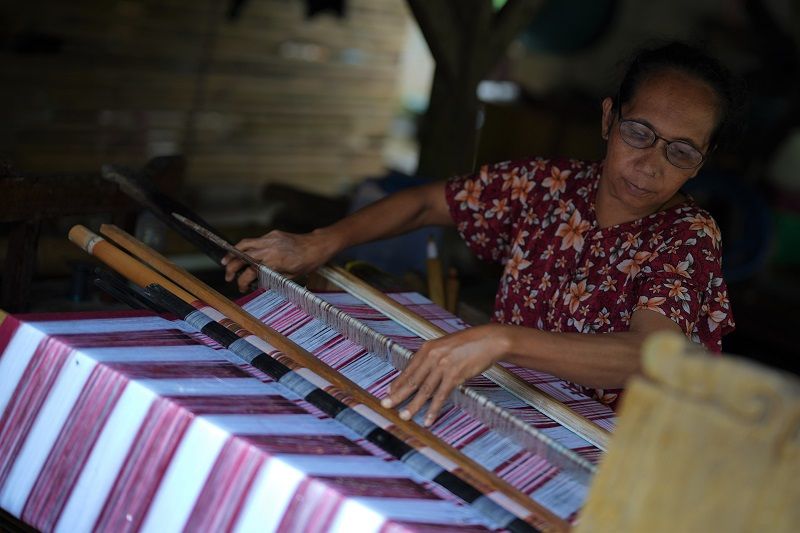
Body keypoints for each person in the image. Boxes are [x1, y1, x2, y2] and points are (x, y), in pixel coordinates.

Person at [223, 41, 743, 424]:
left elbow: (648, 356)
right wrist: (317, 243)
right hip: (507, 413)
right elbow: (429, 202)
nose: (652, 164)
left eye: (681, 151)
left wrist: (502, 341)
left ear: (701, 162)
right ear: (610, 119)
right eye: (639, 132)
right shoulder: (550, 186)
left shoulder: (688, 235)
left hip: (608, 453)